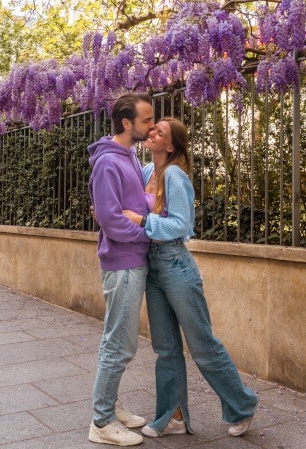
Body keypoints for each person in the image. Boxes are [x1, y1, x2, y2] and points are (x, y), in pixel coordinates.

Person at [122, 117, 258, 438]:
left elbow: (180, 225)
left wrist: (141, 221)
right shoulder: (145, 173)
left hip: (176, 265)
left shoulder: (175, 176)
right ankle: (174, 416)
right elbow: (128, 207)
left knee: (201, 344)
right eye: (152, 128)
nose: (151, 132)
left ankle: (242, 404)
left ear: (170, 146)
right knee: (165, 347)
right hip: (153, 267)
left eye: (159, 132)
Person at [87, 92, 155, 446]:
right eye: (146, 120)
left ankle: (109, 405)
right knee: (121, 344)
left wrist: (146, 208)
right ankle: (101, 422)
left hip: (131, 260)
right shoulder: (107, 162)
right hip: (123, 262)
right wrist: (149, 233)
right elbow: (112, 220)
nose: (152, 125)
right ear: (127, 123)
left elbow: (129, 203)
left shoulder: (127, 155)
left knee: (114, 339)